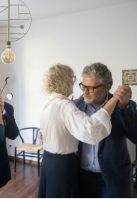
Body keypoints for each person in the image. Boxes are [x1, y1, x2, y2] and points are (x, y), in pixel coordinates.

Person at [38, 63, 119, 198]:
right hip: (62, 165)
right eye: (73, 79)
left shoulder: (49, 103)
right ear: (66, 81)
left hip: (48, 161)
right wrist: (113, 100)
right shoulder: (66, 106)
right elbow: (90, 131)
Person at [74, 62, 137, 198]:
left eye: (91, 88)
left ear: (106, 87)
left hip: (113, 179)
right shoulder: (75, 106)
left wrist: (125, 109)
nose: (84, 91)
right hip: (81, 178)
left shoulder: (124, 106)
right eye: (83, 86)